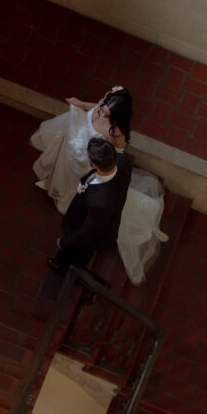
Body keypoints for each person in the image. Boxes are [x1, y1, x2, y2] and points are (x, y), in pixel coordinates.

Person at [31, 86, 169, 285]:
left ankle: (70, 268)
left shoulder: (101, 201)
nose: (100, 113)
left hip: (89, 212)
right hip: (89, 168)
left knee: (84, 242)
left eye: (106, 114)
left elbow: (88, 231)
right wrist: (81, 105)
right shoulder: (114, 163)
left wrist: (66, 242)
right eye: (102, 108)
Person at [46, 137, 131, 276]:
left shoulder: (100, 203)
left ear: (94, 165)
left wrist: (65, 242)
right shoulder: (123, 161)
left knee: (79, 250)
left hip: (83, 226)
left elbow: (86, 234)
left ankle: (63, 266)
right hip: (99, 215)